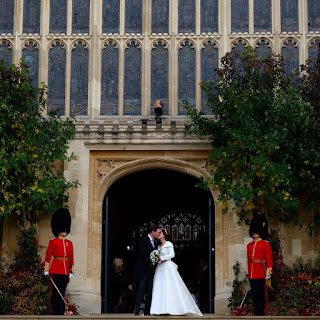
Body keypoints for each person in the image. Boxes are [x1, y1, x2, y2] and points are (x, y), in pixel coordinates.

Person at [150, 228, 203, 316]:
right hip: (160, 268)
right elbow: (157, 257)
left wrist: (162, 258)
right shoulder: (158, 246)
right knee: (160, 286)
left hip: (167, 267)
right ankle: (160, 309)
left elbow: (172, 254)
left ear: (165, 235)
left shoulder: (169, 244)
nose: (159, 234)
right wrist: (156, 259)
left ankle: (173, 308)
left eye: (161, 233)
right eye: (158, 233)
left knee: (170, 286)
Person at [44, 208, 74, 315]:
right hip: (56, 270)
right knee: (56, 294)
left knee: (62, 292)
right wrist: (46, 269)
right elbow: (48, 256)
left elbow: (71, 258)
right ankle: (55, 312)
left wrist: (71, 270)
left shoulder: (69, 243)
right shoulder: (53, 242)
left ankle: (60, 313)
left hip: (65, 271)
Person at [247, 214, 273, 316]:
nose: (254, 233)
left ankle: (262, 316)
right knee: (255, 297)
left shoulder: (265, 244)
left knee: (261, 298)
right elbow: (250, 261)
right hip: (252, 275)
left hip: (261, 274)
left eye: (256, 230)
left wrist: (268, 273)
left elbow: (269, 260)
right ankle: (257, 315)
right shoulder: (249, 246)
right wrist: (250, 274)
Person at [133, 222, 161, 315]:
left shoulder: (156, 242)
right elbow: (143, 252)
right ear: (153, 232)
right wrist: (152, 255)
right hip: (143, 270)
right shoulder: (143, 240)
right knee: (141, 289)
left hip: (151, 270)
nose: (159, 234)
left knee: (150, 290)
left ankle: (147, 310)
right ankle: (137, 309)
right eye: (158, 232)